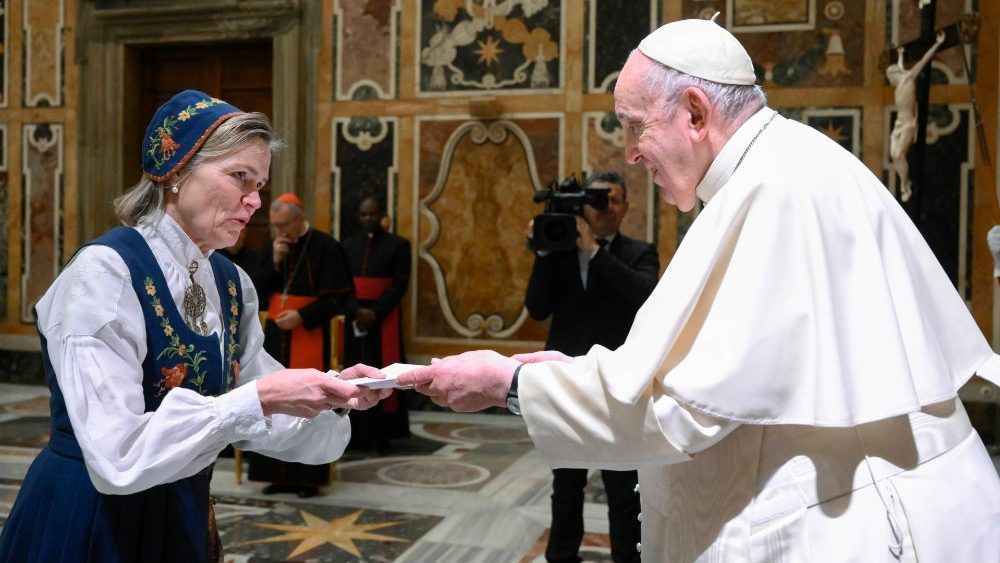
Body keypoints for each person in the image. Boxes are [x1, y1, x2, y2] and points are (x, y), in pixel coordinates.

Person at [397, 16, 1000, 561]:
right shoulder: (787, 166)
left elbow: (682, 408)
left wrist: (509, 383)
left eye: (635, 127)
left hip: (853, 524)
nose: (632, 156)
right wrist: (561, 372)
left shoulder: (772, 191)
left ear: (693, 111)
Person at [0, 89, 389, 563]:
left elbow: (263, 407)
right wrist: (258, 399)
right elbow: (116, 456)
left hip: (182, 515)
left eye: (260, 184)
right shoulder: (104, 273)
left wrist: (331, 399)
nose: (254, 202)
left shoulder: (231, 283)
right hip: (90, 519)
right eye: (239, 177)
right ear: (176, 172)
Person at [525, 170, 658, 563]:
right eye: (597, 199)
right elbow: (537, 308)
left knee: (622, 489)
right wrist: (544, 253)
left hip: (617, 385)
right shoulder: (558, 251)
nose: (605, 207)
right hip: (565, 383)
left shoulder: (639, 252)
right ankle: (561, 557)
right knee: (565, 485)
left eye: (613, 199)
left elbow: (645, 298)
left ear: (626, 206)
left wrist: (595, 252)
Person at [248, 193, 355, 497]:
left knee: (310, 401)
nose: (279, 232)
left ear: (298, 218)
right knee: (273, 399)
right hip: (276, 335)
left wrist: (303, 315)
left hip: (311, 334)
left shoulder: (326, 246)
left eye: (283, 225)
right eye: (275, 226)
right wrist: (275, 261)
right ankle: (276, 476)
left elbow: (339, 298)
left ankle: (307, 479)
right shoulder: (272, 248)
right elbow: (257, 290)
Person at [343, 194, 412, 452]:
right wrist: (355, 310)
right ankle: (357, 433)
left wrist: (375, 312)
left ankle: (383, 434)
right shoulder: (348, 245)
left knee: (383, 372)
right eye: (363, 214)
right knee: (354, 373)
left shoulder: (398, 245)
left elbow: (400, 283)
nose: (368, 218)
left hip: (384, 319)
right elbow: (343, 285)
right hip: (356, 319)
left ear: (382, 216)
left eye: (372, 214)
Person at [887, 30, 946, 202]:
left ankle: (904, 185)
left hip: (908, 124)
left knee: (898, 155)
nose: (890, 79)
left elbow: (923, 60)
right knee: (893, 154)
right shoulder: (900, 83)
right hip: (898, 123)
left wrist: (938, 43)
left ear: (895, 75)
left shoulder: (909, 79)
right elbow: (901, 67)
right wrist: (900, 55)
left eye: (891, 75)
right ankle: (904, 181)